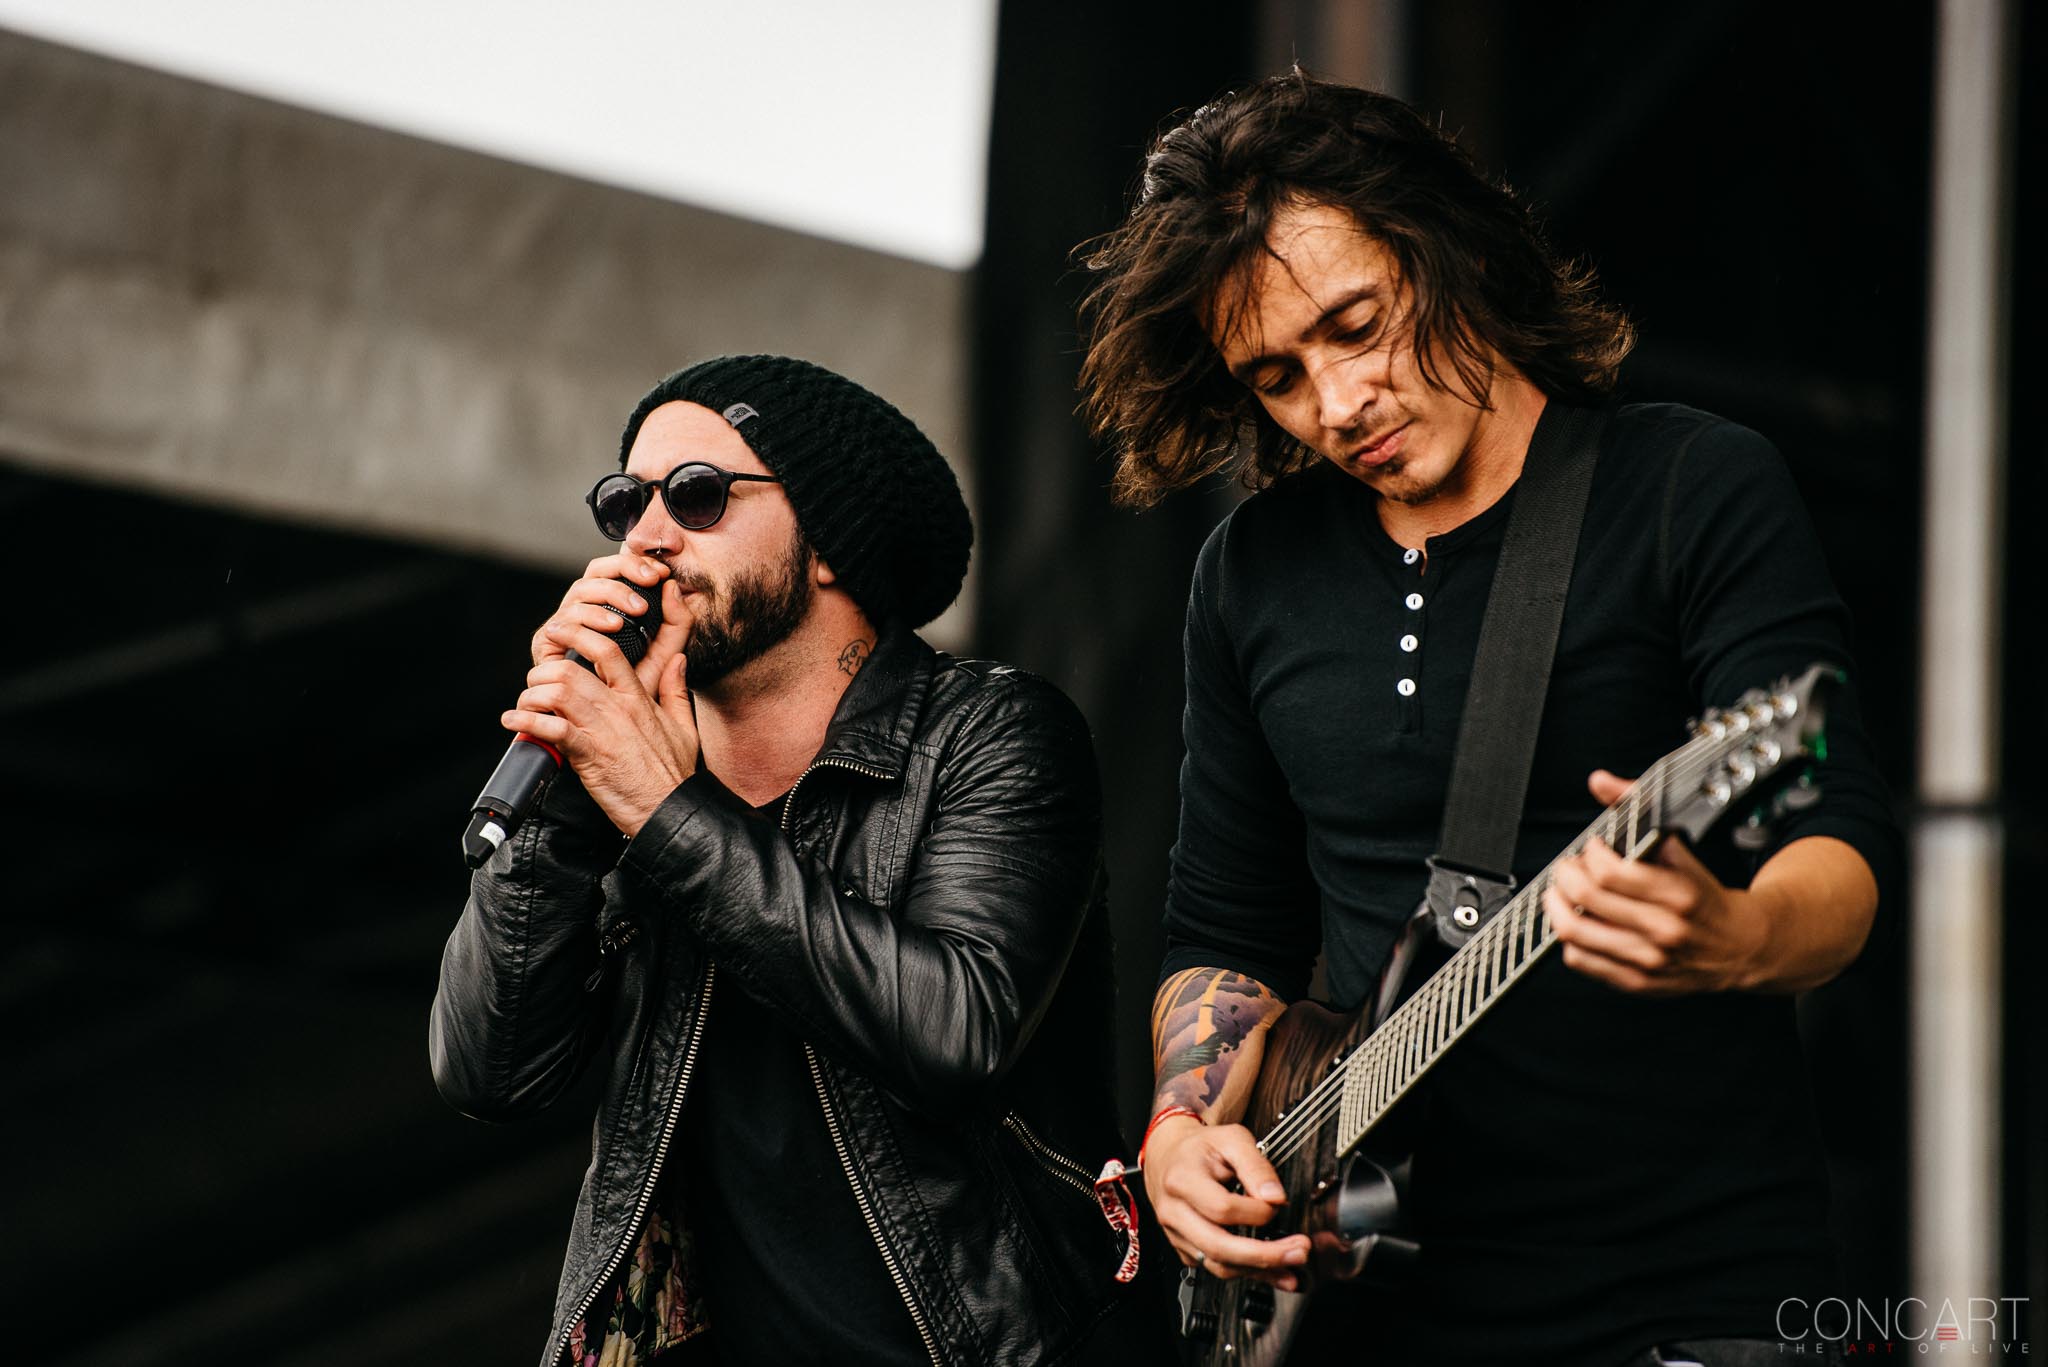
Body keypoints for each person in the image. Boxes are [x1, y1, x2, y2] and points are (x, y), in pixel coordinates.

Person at [1075, 73, 1897, 1366]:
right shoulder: (1253, 569)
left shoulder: (1688, 484)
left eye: (1359, 324)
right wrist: (1181, 1134)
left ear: (1446, 249)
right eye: (1278, 375)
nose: (1337, 402)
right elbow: (1229, 918)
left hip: (1688, 1283)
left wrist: (1734, 931)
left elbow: (1839, 846)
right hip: (1365, 1298)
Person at [430, 355, 1157, 1366]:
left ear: (828, 536)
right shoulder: (634, 788)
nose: (645, 538)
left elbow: (952, 1029)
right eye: (623, 502)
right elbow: (487, 1069)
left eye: (695, 496)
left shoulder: (988, 731)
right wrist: (562, 803)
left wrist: (663, 810)